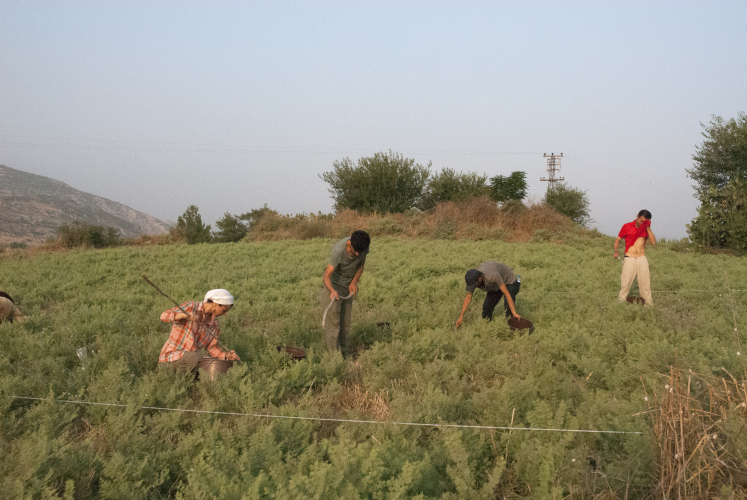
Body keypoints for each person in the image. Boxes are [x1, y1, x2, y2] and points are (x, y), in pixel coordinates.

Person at [158, 288, 240, 372]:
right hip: (171, 358)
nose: (225, 314)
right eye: (224, 310)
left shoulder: (214, 323)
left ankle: (192, 383)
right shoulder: (191, 307)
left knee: (209, 363)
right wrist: (184, 316)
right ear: (215, 304)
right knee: (196, 357)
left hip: (191, 359)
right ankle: (182, 382)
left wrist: (226, 356)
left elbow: (212, 347)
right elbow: (164, 316)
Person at [321, 230, 370, 353]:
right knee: (334, 324)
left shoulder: (362, 247)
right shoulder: (338, 251)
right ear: (350, 244)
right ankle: (334, 358)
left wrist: (354, 282)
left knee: (345, 324)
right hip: (333, 288)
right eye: (356, 251)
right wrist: (332, 290)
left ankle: (344, 352)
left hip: (347, 288)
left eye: (361, 252)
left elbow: (361, 265)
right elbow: (326, 276)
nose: (358, 254)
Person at [456, 262, 521, 328]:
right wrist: (461, 317)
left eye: (474, 285)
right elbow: (467, 299)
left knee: (509, 310)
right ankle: (488, 327)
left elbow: (507, 294)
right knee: (487, 308)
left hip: (509, 281)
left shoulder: (492, 276)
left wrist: (514, 313)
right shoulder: (474, 278)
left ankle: (512, 329)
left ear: (479, 279)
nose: (473, 287)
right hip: (495, 285)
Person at [614, 209, 656, 305]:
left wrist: (648, 228)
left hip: (642, 258)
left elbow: (653, 243)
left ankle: (649, 307)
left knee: (645, 286)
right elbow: (617, 240)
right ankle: (620, 305)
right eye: (641, 220)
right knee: (625, 284)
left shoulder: (646, 229)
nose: (642, 223)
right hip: (629, 258)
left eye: (645, 222)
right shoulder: (627, 226)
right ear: (637, 216)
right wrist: (616, 251)